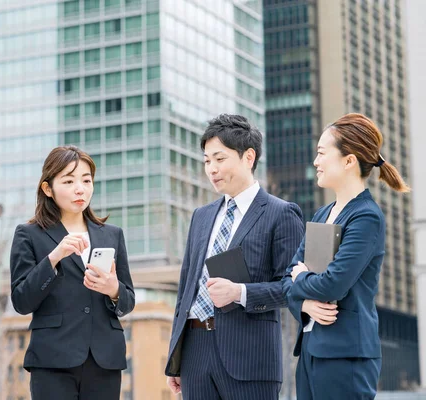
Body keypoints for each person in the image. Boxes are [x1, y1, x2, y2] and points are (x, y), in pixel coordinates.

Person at [165, 114, 305, 399]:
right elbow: (185, 291)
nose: (211, 169)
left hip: (249, 356)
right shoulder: (201, 217)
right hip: (195, 353)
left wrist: (239, 292)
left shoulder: (281, 213)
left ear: (248, 157)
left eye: (219, 159)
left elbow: (293, 288)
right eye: (206, 161)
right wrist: (176, 359)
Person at [282, 113, 410, 399]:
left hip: (345, 357)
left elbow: (334, 283)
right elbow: (284, 279)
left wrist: (301, 277)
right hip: (311, 350)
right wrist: (304, 306)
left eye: (321, 153)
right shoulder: (322, 214)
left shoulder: (366, 216)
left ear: (349, 161)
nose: (315, 162)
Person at [10, 146, 135, 400]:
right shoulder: (29, 234)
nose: (80, 189)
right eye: (68, 181)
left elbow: (128, 300)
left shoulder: (111, 234)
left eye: (86, 180)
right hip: (53, 360)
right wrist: (54, 258)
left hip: (104, 360)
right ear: (48, 188)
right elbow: (21, 301)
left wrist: (113, 289)